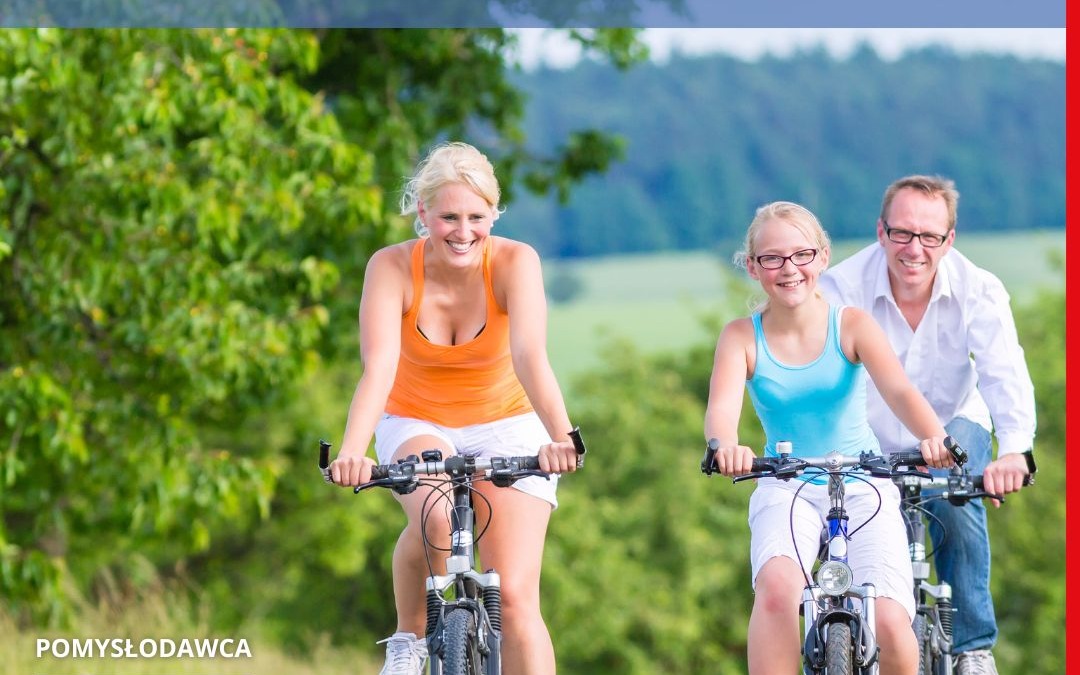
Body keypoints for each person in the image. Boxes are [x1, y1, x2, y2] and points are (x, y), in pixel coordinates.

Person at [328, 141, 581, 675]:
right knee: (436, 520)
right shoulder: (391, 267)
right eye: (448, 217)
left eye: (475, 217)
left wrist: (563, 437)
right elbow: (379, 367)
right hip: (417, 418)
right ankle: (408, 639)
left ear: (493, 213)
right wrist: (352, 450)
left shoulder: (516, 262)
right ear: (423, 213)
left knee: (513, 596)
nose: (462, 232)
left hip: (508, 422)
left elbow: (530, 355)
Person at [704, 201, 956, 675]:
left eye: (801, 255)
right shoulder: (740, 337)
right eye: (773, 259)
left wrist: (936, 439)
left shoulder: (852, 324)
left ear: (821, 257)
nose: (789, 269)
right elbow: (721, 412)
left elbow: (899, 390)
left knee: (885, 615)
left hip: (863, 482)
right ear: (754, 268)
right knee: (778, 588)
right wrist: (726, 447)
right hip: (786, 482)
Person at [819, 175, 1036, 675]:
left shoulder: (979, 289)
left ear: (949, 240)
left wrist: (1014, 451)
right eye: (902, 233)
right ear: (881, 231)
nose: (914, 248)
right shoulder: (841, 289)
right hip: (866, 435)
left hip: (955, 422)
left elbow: (1004, 372)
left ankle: (972, 648)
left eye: (929, 236)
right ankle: (839, 628)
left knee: (951, 494)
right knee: (835, 515)